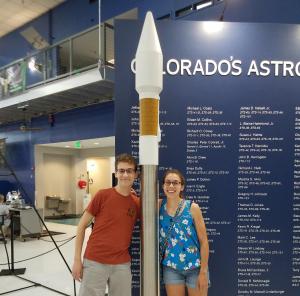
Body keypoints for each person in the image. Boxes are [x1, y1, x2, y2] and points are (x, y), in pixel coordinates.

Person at [72, 153, 140, 296]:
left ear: (135, 174)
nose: (125, 175)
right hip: (95, 260)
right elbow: (81, 225)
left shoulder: (136, 203)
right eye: (121, 171)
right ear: (116, 173)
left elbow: (158, 206)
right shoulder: (102, 195)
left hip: (121, 263)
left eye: (129, 171)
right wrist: (77, 260)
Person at [159, 169, 209, 296]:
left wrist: (203, 271)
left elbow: (204, 242)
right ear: (163, 186)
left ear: (182, 186)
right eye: (168, 182)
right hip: (171, 268)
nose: (171, 186)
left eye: (175, 183)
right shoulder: (158, 205)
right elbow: (140, 203)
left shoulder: (192, 208)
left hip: (195, 267)